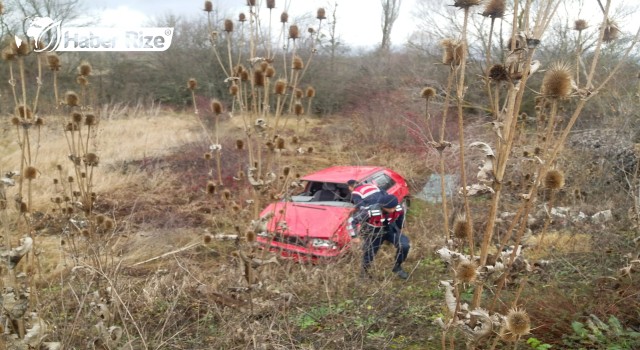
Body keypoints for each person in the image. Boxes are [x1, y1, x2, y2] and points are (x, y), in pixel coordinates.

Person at [347, 181, 410, 280]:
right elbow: (351, 221)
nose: (393, 210)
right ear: (383, 206)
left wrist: (400, 227)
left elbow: (400, 217)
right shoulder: (370, 211)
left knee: (405, 245)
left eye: (394, 207)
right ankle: (364, 273)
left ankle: (397, 267)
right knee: (368, 255)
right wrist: (354, 236)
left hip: (390, 229)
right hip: (374, 233)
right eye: (390, 208)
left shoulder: (398, 208)